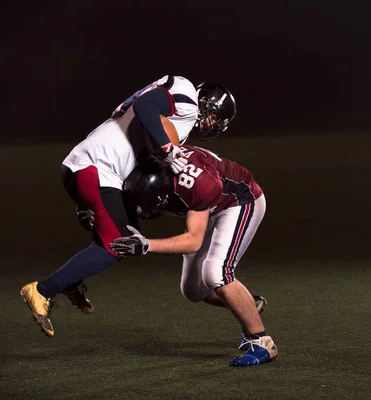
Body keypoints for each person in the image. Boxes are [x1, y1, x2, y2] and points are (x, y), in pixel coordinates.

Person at [20, 75, 237, 338]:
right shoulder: (187, 96)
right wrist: (168, 149)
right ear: (206, 102)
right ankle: (43, 290)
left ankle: (72, 281)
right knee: (116, 243)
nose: (212, 125)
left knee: (129, 235)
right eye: (215, 117)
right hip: (96, 167)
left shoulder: (181, 112)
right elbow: (147, 104)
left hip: (101, 168)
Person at [109, 146, 278, 367]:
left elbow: (193, 241)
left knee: (216, 273)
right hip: (204, 204)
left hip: (237, 201)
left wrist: (147, 245)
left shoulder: (196, 185)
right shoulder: (138, 169)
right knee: (194, 290)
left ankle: (262, 341)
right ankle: (248, 304)